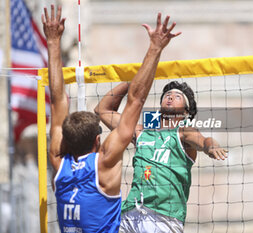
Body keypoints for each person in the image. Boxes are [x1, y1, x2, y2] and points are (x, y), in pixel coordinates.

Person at [42, 5, 180, 232]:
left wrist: (53, 43)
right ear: (98, 141)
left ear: (65, 141)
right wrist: (155, 48)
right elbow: (135, 101)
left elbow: (58, 101)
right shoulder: (103, 163)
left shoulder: (58, 163)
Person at [95, 81, 228, 231]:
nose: (170, 97)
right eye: (167, 95)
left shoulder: (183, 132)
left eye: (177, 96)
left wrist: (211, 146)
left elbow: (203, 141)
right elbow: (102, 110)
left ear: (185, 112)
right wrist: (131, 82)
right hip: (131, 213)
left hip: (164, 217)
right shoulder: (141, 132)